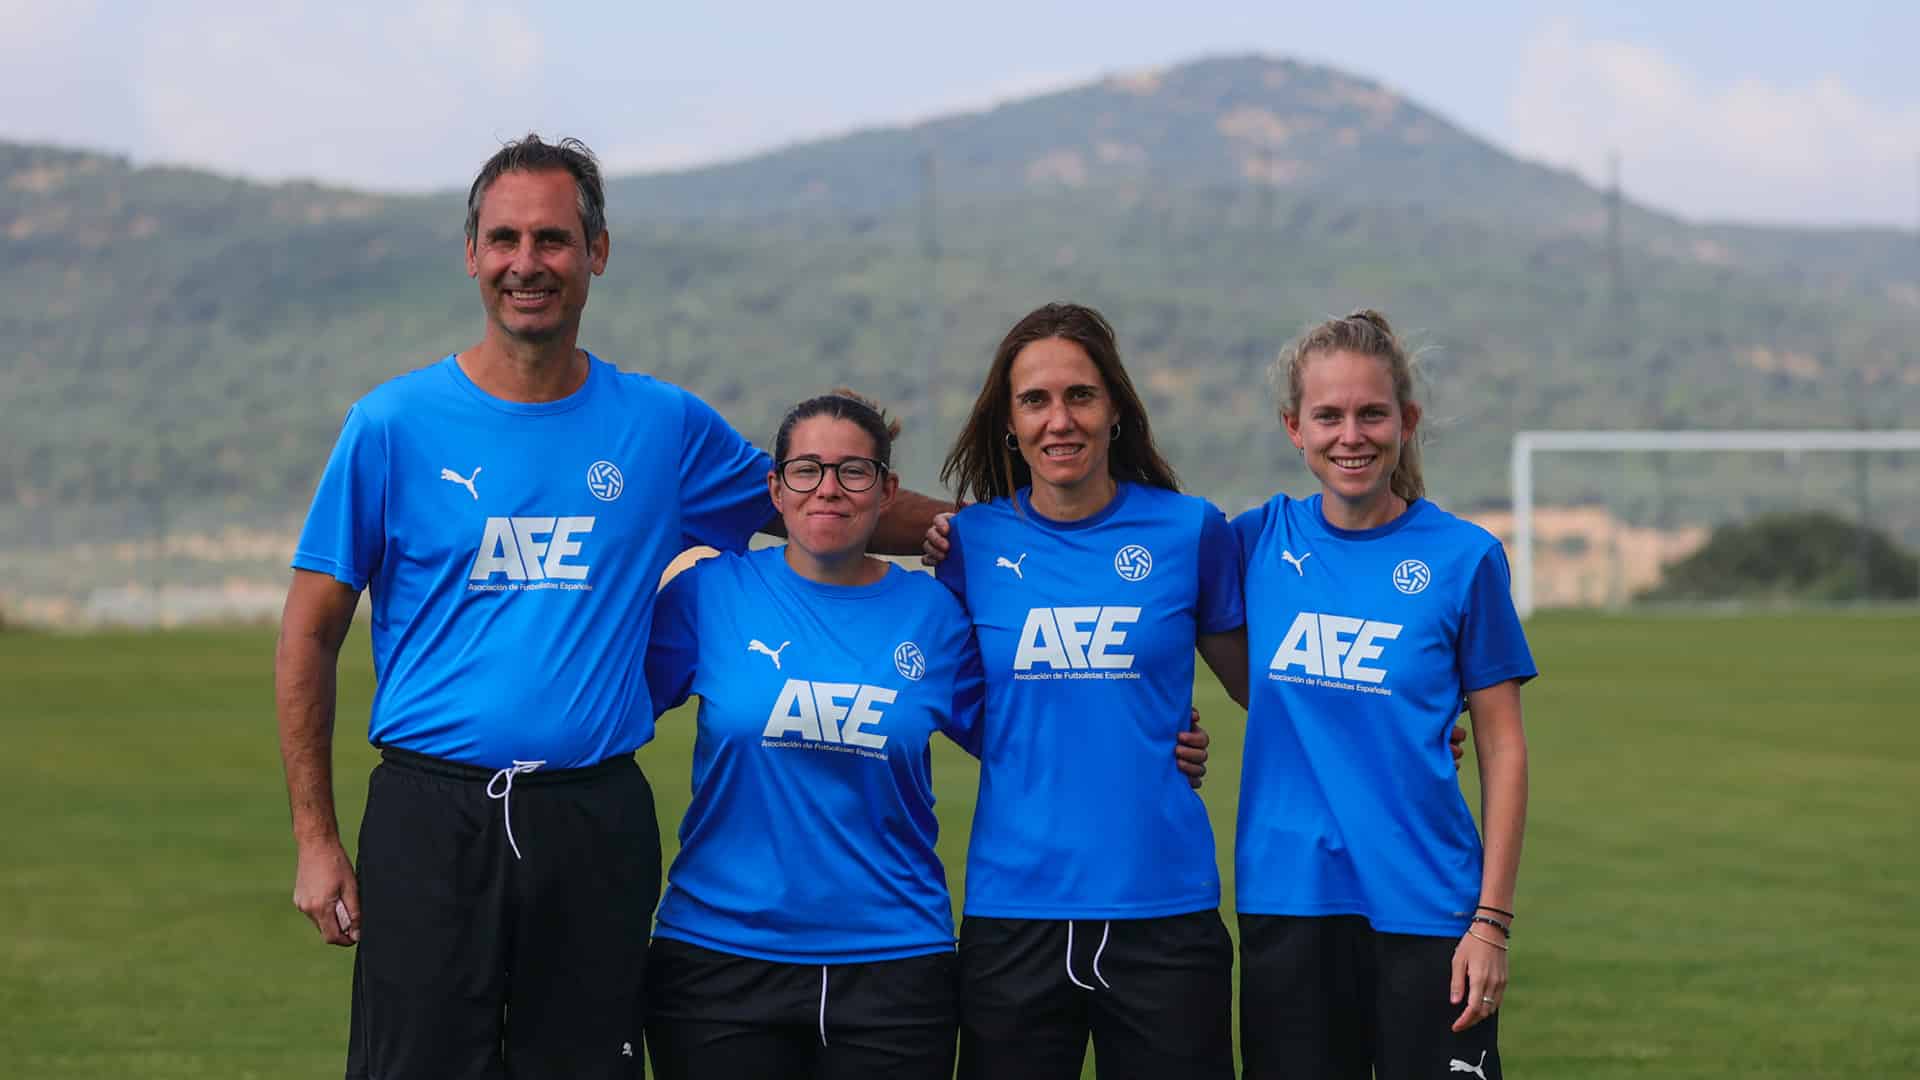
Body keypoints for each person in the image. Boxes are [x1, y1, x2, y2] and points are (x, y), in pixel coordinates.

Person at [272, 135, 948, 1079]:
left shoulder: (661, 426)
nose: (527, 263)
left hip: (592, 817)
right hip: (431, 817)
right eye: (504, 239)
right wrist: (316, 839)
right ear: (471, 254)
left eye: (552, 239)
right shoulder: (392, 424)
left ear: (596, 251)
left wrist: (1001, 538)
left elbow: (823, 499)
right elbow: (309, 633)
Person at [928, 302, 1249, 1080]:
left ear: (1116, 410)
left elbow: (1267, 689)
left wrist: (1409, 725)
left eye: (1080, 395)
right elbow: (951, 703)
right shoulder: (970, 544)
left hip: (1163, 910)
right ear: (1010, 423)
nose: (1059, 419)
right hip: (1014, 913)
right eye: (1035, 400)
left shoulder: (1191, 531)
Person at [640, 391, 981, 1079]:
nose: (828, 488)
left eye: (853, 471)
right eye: (806, 470)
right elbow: (601, 705)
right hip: (719, 961)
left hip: (894, 965)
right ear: (775, 488)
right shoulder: (709, 595)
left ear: (886, 491)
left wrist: (1162, 740)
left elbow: (1028, 736)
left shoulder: (936, 615)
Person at [1232, 310, 1534, 1080]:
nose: (1351, 436)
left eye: (1372, 413)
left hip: (1430, 907)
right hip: (1289, 904)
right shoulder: (1254, 542)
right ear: (1294, 428)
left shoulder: (1465, 558)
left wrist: (1491, 924)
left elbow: (1502, 746)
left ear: (1408, 420)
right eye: (1327, 416)